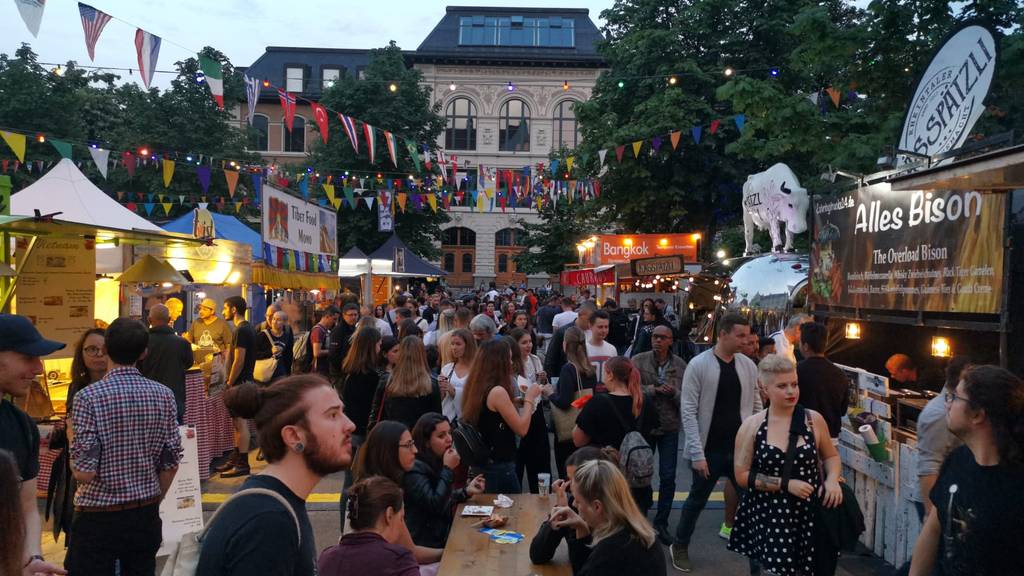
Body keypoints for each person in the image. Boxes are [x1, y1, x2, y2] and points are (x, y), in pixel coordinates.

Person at [197, 375, 356, 575]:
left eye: (343, 412)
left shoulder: (275, 504)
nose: (350, 425)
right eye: (332, 415)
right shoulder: (269, 523)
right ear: (294, 436)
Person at [67, 318, 182, 575]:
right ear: (144, 352)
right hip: (145, 512)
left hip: (97, 514)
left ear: (106, 349)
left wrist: (70, 436)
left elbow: (84, 472)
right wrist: (154, 497)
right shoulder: (164, 395)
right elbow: (171, 462)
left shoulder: (88, 397)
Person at [729, 354, 844, 576]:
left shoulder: (813, 420)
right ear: (764, 388)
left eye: (794, 384)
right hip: (769, 516)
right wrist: (785, 484)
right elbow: (742, 475)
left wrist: (832, 481)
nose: (791, 391)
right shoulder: (752, 426)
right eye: (782, 386)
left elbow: (831, 456)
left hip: (810, 515)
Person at [909, 365, 1024, 576]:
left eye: (954, 397)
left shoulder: (1015, 485)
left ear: (978, 415)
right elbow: (934, 528)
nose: (947, 403)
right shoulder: (958, 460)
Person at [671, 313, 762, 572]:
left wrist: (755, 443)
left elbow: (756, 405)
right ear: (722, 334)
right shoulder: (699, 365)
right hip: (709, 449)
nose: (746, 340)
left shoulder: (747, 365)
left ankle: (757, 563)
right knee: (696, 501)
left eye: (747, 335)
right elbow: (688, 411)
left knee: (752, 506)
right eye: (740, 335)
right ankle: (680, 544)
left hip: (740, 451)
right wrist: (697, 454)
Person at [0, 315, 68, 576]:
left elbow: (26, 507)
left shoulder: (22, 425)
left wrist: (31, 559)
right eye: (28, 357)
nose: (39, 368)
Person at [548, 459, 666, 575]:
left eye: (578, 501)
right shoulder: (637, 532)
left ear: (597, 507)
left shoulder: (611, 552)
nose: (573, 504)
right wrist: (581, 529)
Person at [352, 420, 444, 565]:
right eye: (408, 445)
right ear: (388, 450)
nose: (415, 450)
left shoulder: (367, 486)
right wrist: (449, 552)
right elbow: (412, 553)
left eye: (413, 443)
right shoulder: (384, 495)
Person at [47, 328, 107, 545]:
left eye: (104, 349)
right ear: (81, 354)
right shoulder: (77, 386)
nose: (99, 354)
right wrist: (64, 430)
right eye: (91, 349)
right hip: (76, 469)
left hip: (107, 474)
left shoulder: (118, 387)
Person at [572, 356, 655, 511]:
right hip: (638, 483)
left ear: (610, 375)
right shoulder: (645, 401)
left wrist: (583, 414)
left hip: (607, 483)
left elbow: (578, 440)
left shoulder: (597, 403)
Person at [461, 338, 542, 493]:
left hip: (484, 464)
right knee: (510, 512)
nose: (511, 363)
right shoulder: (498, 391)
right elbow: (522, 429)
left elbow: (491, 411)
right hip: (499, 465)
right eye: (509, 359)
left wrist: (516, 401)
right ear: (499, 362)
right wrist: (530, 399)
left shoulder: (477, 384)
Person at [632, 324, 687, 542]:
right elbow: (630, 389)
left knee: (668, 476)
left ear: (671, 341)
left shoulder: (681, 365)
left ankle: (661, 522)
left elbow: (688, 398)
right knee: (639, 474)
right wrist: (652, 390)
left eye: (663, 338)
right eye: (655, 337)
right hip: (645, 425)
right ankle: (639, 517)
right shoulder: (639, 360)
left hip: (670, 426)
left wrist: (673, 392)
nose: (658, 341)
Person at [404, 413, 486, 548]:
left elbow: (440, 494)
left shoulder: (436, 459)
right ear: (426, 442)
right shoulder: (415, 469)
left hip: (441, 536)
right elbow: (434, 504)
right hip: (426, 544)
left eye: (449, 433)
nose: (449, 439)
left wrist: (466, 491)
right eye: (441, 436)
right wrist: (448, 469)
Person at [529, 445, 618, 565]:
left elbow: (588, 566)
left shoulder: (610, 522)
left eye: (575, 480)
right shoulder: (574, 503)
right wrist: (559, 513)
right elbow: (537, 555)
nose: (570, 486)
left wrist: (580, 530)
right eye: (569, 479)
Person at [318, 476, 420, 576]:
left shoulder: (327, 559)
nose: (402, 525)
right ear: (389, 515)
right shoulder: (399, 561)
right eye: (401, 518)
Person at [915, 356, 968, 518]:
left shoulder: (958, 409)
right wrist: (932, 515)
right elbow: (929, 466)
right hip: (940, 500)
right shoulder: (939, 414)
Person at [550, 327, 597, 479]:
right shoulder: (590, 368)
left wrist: (549, 393)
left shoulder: (569, 369)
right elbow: (588, 397)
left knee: (567, 475)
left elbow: (564, 402)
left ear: (565, 345)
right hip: (586, 427)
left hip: (568, 431)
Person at [219, 296, 258, 478]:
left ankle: (243, 463)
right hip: (244, 381)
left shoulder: (242, 330)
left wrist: (230, 382)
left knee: (241, 423)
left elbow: (239, 360)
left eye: (225, 308)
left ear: (234, 309)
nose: (223, 312)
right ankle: (237, 458)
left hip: (241, 383)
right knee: (237, 423)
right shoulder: (247, 328)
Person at [509, 330, 552, 494]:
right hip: (518, 413)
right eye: (524, 342)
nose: (529, 345)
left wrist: (542, 380)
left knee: (540, 460)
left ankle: (542, 495)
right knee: (518, 460)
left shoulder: (535, 360)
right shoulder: (510, 364)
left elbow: (540, 387)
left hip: (536, 412)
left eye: (530, 341)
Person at [369, 337, 442, 431]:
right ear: (422, 355)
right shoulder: (431, 385)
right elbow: (437, 420)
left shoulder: (388, 381)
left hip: (392, 437)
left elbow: (376, 412)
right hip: (420, 439)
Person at [139, 304, 193, 423]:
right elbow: (189, 364)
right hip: (174, 401)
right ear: (169, 320)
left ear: (149, 320)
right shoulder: (182, 343)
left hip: (146, 401)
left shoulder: (142, 342)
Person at [795, 322, 849, 441]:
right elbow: (843, 410)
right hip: (830, 436)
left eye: (799, 342)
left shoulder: (795, 371)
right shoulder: (840, 374)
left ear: (805, 346)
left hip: (802, 437)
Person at [544, 301, 596, 379]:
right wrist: (553, 381)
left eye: (593, 320)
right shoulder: (563, 332)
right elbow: (550, 359)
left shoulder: (594, 332)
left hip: (587, 378)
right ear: (580, 315)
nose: (591, 323)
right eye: (589, 319)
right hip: (566, 378)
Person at [438, 328, 476, 422]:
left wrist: (454, 392)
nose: (454, 347)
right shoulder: (447, 369)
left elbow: (477, 397)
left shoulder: (477, 369)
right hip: (447, 420)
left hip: (468, 421)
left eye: (458, 344)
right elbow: (440, 399)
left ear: (468, 346)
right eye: (452, 344)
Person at [255, 309, 296, 382]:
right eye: (273, 319)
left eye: (278, 320)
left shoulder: (287, 335)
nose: (274, 322)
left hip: (281, 375)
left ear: (285, 322)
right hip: (265, 375)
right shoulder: (263, 335)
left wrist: (288, 375)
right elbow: (254, 354)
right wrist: (270, 352)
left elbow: (289, 355)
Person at [330, 303, 361, 391]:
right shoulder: (338, 331)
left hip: (351, 370)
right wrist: (343, 369)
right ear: (343, 315)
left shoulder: (354, 328)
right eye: (350, 315)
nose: (354, 317)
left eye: (355, 314)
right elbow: (333, 355)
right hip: (340, 373)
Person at [586, 310, 618, 391]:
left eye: (606, 327)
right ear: (590, 326)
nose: (604, 330)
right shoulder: (583, 349)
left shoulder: (612, 349)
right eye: (600, 327)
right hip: (588, 395)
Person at [311, 306, 339, 377]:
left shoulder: (325, 330)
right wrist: (333, 350)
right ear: (327, 316)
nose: (335, 322)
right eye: (334, 319)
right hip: (319, 370)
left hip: (324, 369)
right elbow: (316, 352)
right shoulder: (318, 330)